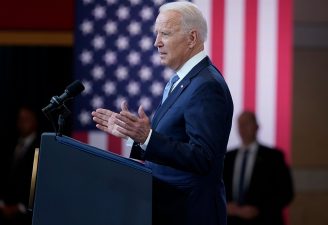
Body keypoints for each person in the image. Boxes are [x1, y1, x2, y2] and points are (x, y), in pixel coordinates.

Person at [91, 2, 233, 225]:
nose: (156, 42)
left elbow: (203, 157)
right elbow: (173, 141)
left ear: (192, 38)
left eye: (165, 33)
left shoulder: (206, 86)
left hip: (191, 213)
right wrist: (133, 135)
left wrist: (147, 137)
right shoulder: (182, 81)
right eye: (157, 34)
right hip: (169, 209)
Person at [223, 111, 294, 225]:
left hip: (265, 220)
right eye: (240, 124)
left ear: (257, 126)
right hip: (232, 221)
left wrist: (259, 210)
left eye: (247, 124)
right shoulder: (227, 158)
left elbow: (286, 193)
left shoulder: (274, 157)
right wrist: (226, 205)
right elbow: (219, 188)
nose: (243, 128)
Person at [0, 106, 40, 225]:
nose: (23, 123)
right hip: (5, 207)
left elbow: (35, 180)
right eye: (20, 120)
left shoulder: (40, 147)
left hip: (25, 212)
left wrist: (21, 207)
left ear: (35, 121)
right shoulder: (11, 143)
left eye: (27, 119)